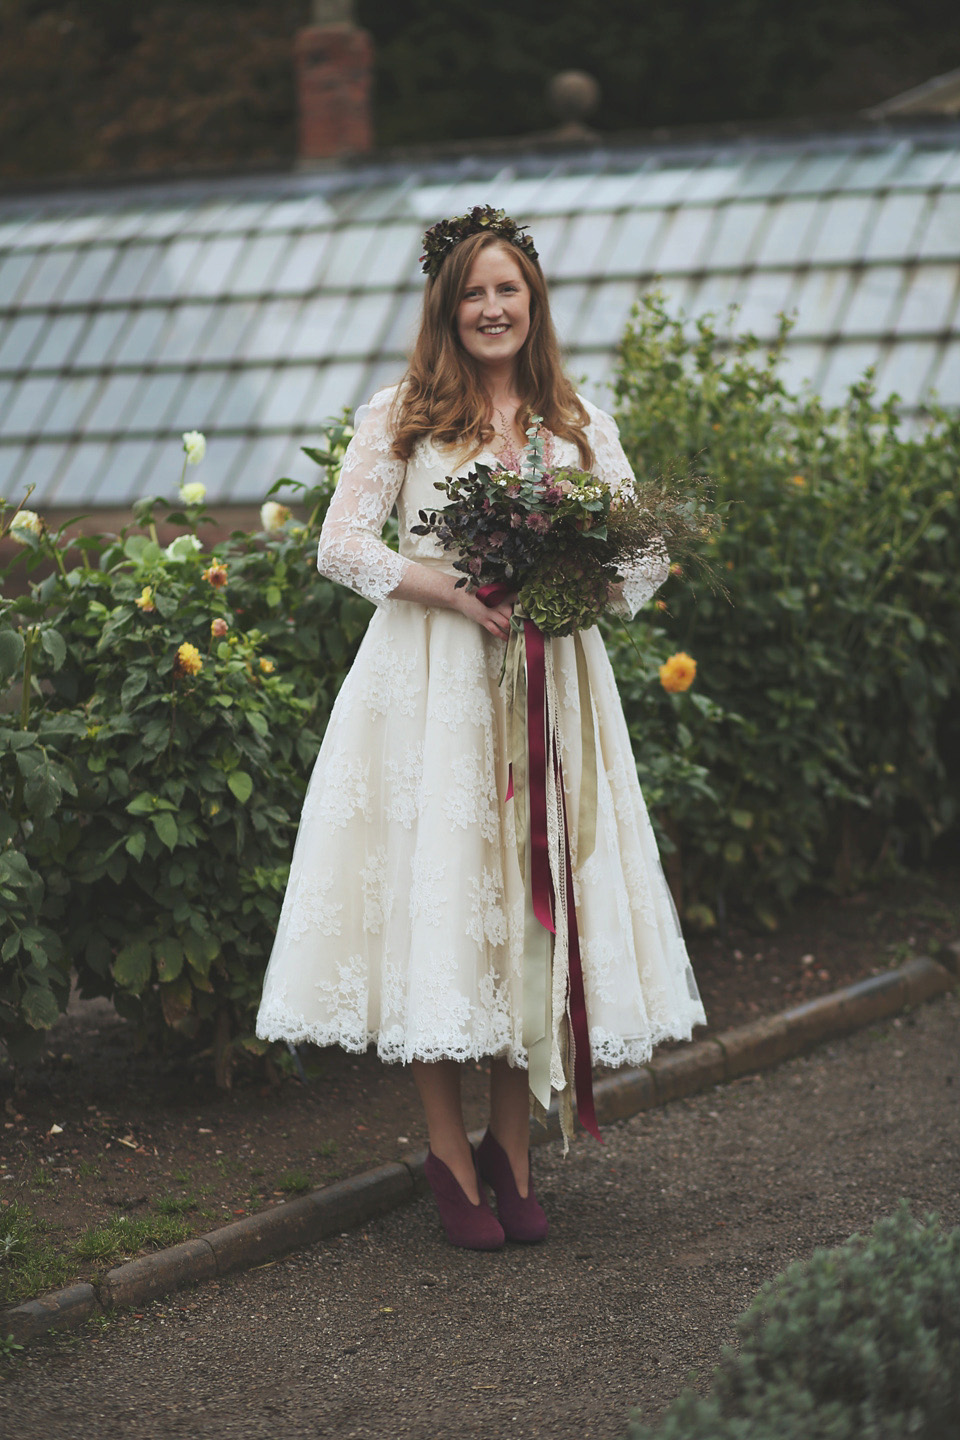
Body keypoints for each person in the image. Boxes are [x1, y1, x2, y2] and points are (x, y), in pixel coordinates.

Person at [256, 206, 705, 1250]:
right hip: (431, 690)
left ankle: (514, 1150)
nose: (492, 308)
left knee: (529, 905)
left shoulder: (577, 422)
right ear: (447, 309)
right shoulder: (404, 415)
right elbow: (341, 548)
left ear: (533, 302)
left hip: (550, 687)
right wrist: (453, 591)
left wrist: (572, 593)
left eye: (509, 290)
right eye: (474, 293)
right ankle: (448, 1157)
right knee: (446, 905)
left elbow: (641, 559)